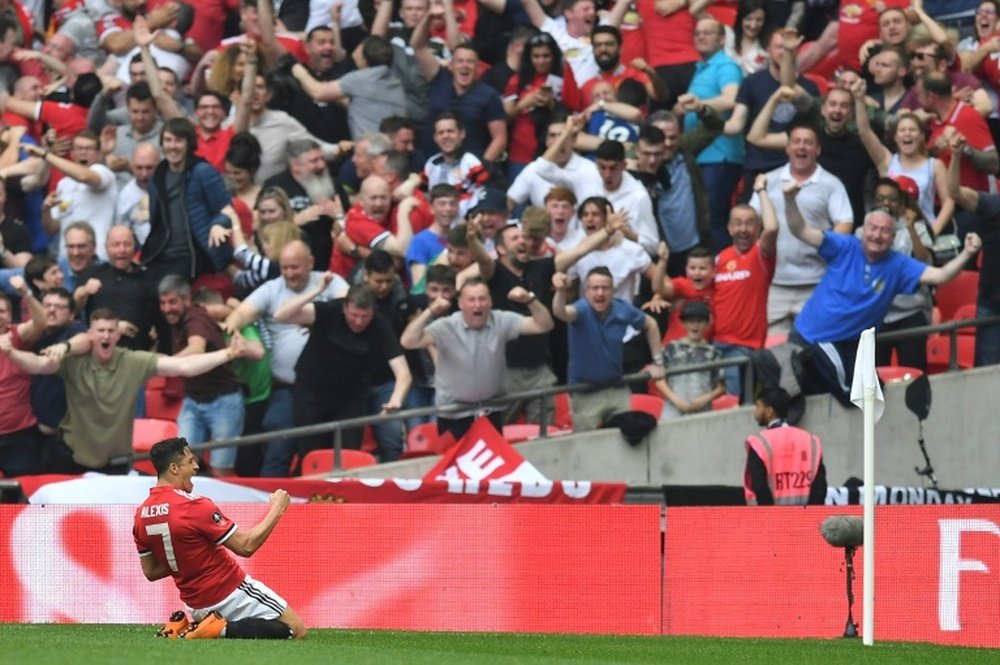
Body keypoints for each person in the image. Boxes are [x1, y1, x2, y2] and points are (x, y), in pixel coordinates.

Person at [784, 184, 983, 405]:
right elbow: (800, 229)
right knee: (831, 397)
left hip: (847, 345)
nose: (877, 235)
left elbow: (941, 276)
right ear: (863, 230)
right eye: (873, 228)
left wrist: (967, 253)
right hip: (811, 339)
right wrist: (790, 200)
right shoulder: (845, 246)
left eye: (885, 231)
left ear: (893, 237)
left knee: (866, 395)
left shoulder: (898, 265)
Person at [0, 308, 250, 474]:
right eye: (100, 330)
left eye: (111, 330)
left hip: (115, 464)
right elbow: (40, 365)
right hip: (70, 459)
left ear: (118, 335)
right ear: (90, 334)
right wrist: (11, 353)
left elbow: (183, 365)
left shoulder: (133, 361)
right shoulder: (74, 359)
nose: (106, 335)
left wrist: (227, 353)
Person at [135, 437, 306, 639]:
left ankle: (188, 626)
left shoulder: (141, 514)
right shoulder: (193, 505)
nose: (196, 466)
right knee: (296, 630)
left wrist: (191, 551)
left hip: (196, 605)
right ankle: (217, 629)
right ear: (174, 468)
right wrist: (278, 508)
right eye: (190, 462)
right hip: (229, 591)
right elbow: (246, 546)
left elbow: (151, 571)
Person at [276, 279, 411, 465]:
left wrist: (396, 399)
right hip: (312, 394)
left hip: (351, 399)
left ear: (373, 311)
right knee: (311, 455)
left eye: (365, 316)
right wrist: (316, 290)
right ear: (345, 308)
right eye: (354, 315)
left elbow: (403, 372)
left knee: (348, 456)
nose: (359, 322)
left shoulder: (380, 325)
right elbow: (281, 315)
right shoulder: (329, 310)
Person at [400, 277, 553, 439]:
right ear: (460, 304)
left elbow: (544, 325)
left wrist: (530, 300)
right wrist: (429, 311)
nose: (477, 305)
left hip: (490, 412)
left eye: (482, 299)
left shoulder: (501, 320)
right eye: (471, 300)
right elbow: (408, 341)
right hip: (454, 415)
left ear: (490, 302)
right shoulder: (447, 325)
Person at [749, 123, 853, 334]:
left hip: (815, 283)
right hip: (773, 284)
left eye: (808, 142)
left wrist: (826, 248)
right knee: (772, 353)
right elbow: (751, 220)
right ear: (787, 148)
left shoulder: (832, 184)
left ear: (818, 149)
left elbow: (845, 225)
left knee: (813, 347)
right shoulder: (768, 180)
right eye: (796, 142)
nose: (802, 147)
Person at [159, 275, 255, 477]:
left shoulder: (195, 318)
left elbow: (196, 349)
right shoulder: (183, 317)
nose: (167, 308)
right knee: (180, 469)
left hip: (224, 401)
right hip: (193, 400)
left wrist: (161, 365)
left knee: (221, 470)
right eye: (163, 303)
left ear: (186, 300)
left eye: (172, 302)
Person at [551, 266, 664, 431]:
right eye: (595, 288)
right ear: (586, 291)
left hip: (617, 389)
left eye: (605, 288)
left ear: (613, 290)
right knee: (587, 445)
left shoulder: (622, 308)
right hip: (585, 394)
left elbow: (651, 325)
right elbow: (561, 313)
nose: (600, 293)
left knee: (627, 438)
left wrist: (658, 361)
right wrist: (560, 291)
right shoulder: (581, 309)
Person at [141, 117, 234, 284]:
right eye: (168, 140)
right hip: (162, 253)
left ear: (189, 144)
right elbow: (156, 220)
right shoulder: (158, 175)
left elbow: (226, 209)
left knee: (168, 288)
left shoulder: (203, 172)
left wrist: (218, 224)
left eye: (178, 140)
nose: (172, 146)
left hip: (194, 254)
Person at [712, 178, 779, 398]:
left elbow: (772, 228)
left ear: (757, 227)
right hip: (714, 344)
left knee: (735, 400)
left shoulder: (760, 254)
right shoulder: (720, 258)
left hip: (744, 346)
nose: (743, 229)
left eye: (749, 223)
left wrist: (760, 190)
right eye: (738, 223)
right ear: (729, 228)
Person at [946, 135, 1000, 368]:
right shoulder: (994, 206)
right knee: (987, 375)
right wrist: (956, 156)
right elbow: (955, 192)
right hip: (992, 301)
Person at [744, 385, 826, 506]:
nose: (755, 411)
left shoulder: (759, 442)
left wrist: (771, 517)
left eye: (758, 406)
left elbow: (758, 486)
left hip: (772, 520)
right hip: (806, 519)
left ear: (769, 411)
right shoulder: (810, 440)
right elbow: (820, 486)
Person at [654, 301, 725, 421]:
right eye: (690, 321)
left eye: (700, 321)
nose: (695, 326)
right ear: (683, 323)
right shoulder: (670, 349)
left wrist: (703, 400)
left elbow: (721, 387)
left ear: (707, 324)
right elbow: (659, 380)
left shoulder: (714, 353)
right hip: (672, 411)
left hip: (703, 413)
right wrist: (676, 400)